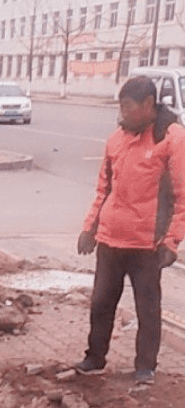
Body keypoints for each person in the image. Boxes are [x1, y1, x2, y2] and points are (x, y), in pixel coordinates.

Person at [76, 75, 185, 386]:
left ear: (148, 105)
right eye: (120, 107)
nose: (122, 114)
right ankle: (95, 357)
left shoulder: (172, 138)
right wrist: (90, 228)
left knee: (147, 309)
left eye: (128, 107)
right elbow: (103, 188)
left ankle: (145, 367)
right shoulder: (116, 139)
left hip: (146, 245)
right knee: (100, 303)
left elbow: (181, 196)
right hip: (111, 239)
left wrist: (172, 241)